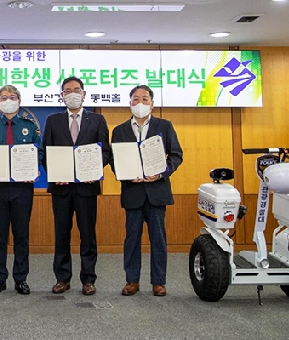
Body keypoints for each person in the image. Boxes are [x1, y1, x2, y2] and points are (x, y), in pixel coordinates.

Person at [111, 85, 183, 297]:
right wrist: (126, 174)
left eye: (144, 99)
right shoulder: (119, 130)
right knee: (132, 239)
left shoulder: (164, 126)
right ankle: (132, 280)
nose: (140, 103)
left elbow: (176, 155)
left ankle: (159, 282)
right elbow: (114, 160)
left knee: (158, 239)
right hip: (132, 192)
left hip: (156, 192)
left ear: (152, 104)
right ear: (130, 104)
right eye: (135, 99)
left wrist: (161, 173)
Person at [42, 76, 111, 296]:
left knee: (88, 234)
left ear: (84, 94)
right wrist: (55, 174)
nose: (72, 94)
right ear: (62, 96)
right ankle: (62, 278)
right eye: (67, 91)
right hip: (61, 188)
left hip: (87, 187)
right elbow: (46, 152)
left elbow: (105, 152)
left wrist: (94, 170)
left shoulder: (97, 120)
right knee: (61, 233)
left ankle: (88, 279)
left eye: (76, 90)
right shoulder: (53, 120)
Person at [0, 85, 42, 295]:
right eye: (4, 97)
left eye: (12, 97)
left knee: (21, 234)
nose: (8, 100)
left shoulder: (29, 126)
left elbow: (39, 151)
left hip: (22, 188)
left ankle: (21, 278)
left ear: (19, 101)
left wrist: (34, 167)